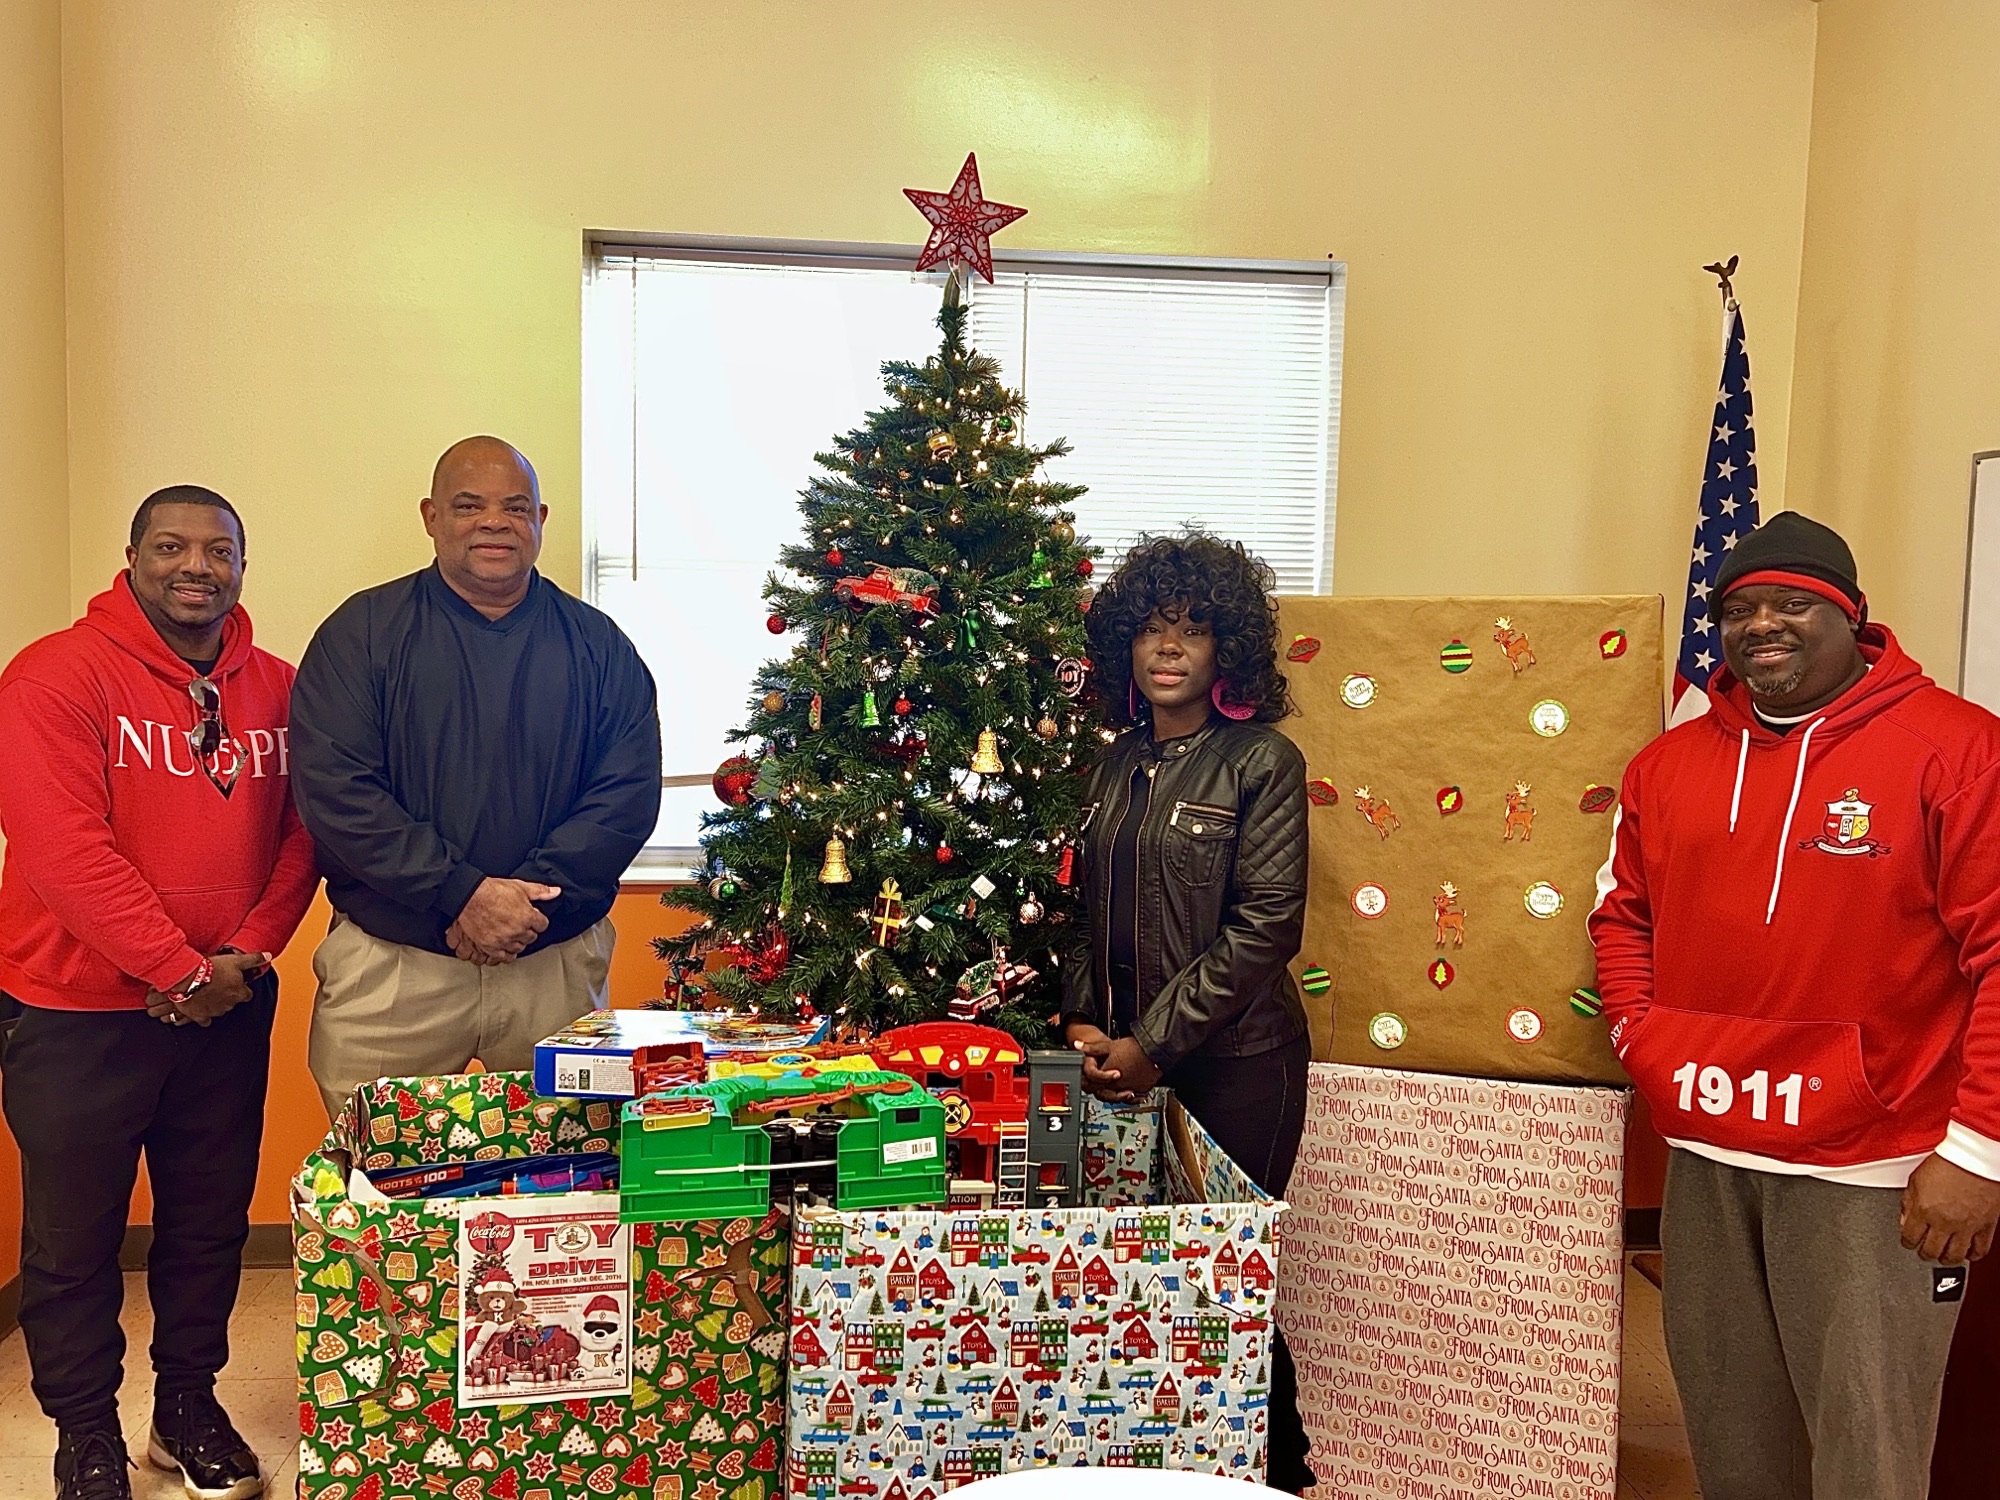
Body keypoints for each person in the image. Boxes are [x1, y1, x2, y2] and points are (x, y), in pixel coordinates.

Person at [1590, 511, 2000, 1500]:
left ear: (1848, 618)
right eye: (1738, 608)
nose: (1759, 624)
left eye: (1789, 604)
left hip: (1873, 1167)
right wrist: (1640, 1038)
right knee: (1730, 1438)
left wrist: (1976, 1150)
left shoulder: (1954, 750)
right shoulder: (1667, 764)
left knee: (1867, 1453)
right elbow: (1618, 917)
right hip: (1706, 1152)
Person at [0, 487, 319, 1500]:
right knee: (74, 1238)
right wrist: (176, 969)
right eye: (172, 546)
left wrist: (248, 955)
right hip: (74, 1009)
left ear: (242, 563)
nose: (198, 565)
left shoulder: (279, 687)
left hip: (227, 1007)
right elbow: (60, 848)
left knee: (206, 1223)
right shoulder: (54, 675)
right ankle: (84, 1433)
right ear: (129, 554)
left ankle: (187, 1410)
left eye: (219, 549)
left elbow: (304, 834)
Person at [290, 436, 661, 1119]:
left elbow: (624, 798)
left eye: (515, 507)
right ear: (431, 516)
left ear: (542, 520)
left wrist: (521, 910)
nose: (494, 521)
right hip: (393, 971)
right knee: (375, 1188)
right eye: (470, 505)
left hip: (553, 967)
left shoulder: (600, 647)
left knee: (569, 1179)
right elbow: (337, 792)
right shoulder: (360, 634)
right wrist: (461, 893)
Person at [1059, 531, 1314, 1493]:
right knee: (1142, 1277)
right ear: (1127, 645)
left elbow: (1263, 930)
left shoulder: (1261, 763)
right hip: (1120, 1056)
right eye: (1153, 631)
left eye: (1193, 632)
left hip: (1240, 1062)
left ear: (1226, 653)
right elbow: (1079, 916)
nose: (1169, 649)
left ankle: (1282, 1474)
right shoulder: (1112, 767)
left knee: (1231, 1275)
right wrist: (1090, 1025)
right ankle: (1168, 1466)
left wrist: (1153, 1044)